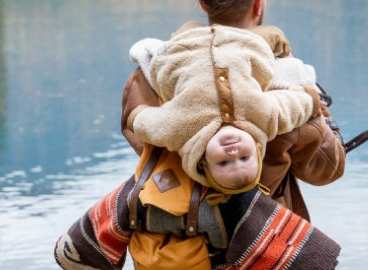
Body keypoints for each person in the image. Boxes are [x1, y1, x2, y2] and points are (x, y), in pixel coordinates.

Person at [121, 0, 346, 270]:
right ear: (259, 3)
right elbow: (326, 170)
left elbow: (140, 135)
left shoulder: (155, 72)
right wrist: (317, 116)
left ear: (203, 3)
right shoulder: (282, 79)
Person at [126, 24, 321, 195]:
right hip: (243, 44)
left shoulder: (180, 130)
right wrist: (311, 99)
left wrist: (136, 116)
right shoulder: (265, 118)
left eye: (223, 163)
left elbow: (150, 124)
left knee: (188, 27)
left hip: (184, 48)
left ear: (203, 161)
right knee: (274, 35)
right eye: (245, 158)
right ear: (257, 149)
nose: (233, 153)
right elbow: (291, 106)